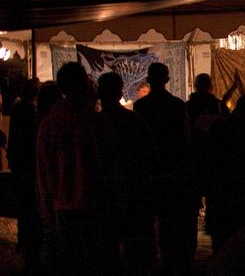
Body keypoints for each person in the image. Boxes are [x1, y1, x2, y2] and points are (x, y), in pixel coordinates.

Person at [36, 62, 117, 276]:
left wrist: (47, 210)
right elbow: (110, 166)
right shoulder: (96, 122)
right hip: (94, 204)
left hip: (62, 206)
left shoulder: (48, 125)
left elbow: (43, 171)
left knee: (70, 263)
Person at [134, 62, 192, 275]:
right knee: (172, 221)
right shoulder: (177, 105)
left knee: (149, 221)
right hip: (172, 170)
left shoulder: (141, 107)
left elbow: (139, 143)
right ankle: (173, 262)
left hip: (150, 172)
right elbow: (185, 140)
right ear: (167, 80)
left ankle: (152, 261)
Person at [98, 72, 156, 275]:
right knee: (137, 249)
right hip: (133, 190)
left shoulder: (94, 124)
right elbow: (147, 155)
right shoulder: (133, 120)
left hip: (104, 194)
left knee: (108, 249)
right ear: (120, 92)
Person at [7, 79, 41, 273]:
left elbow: (14, 142)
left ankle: (25, 241)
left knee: (24, 207)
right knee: (31, 208)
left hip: (21, 167)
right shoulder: (30, 113)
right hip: (28, 168)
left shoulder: (19, 110)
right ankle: (30, 244)